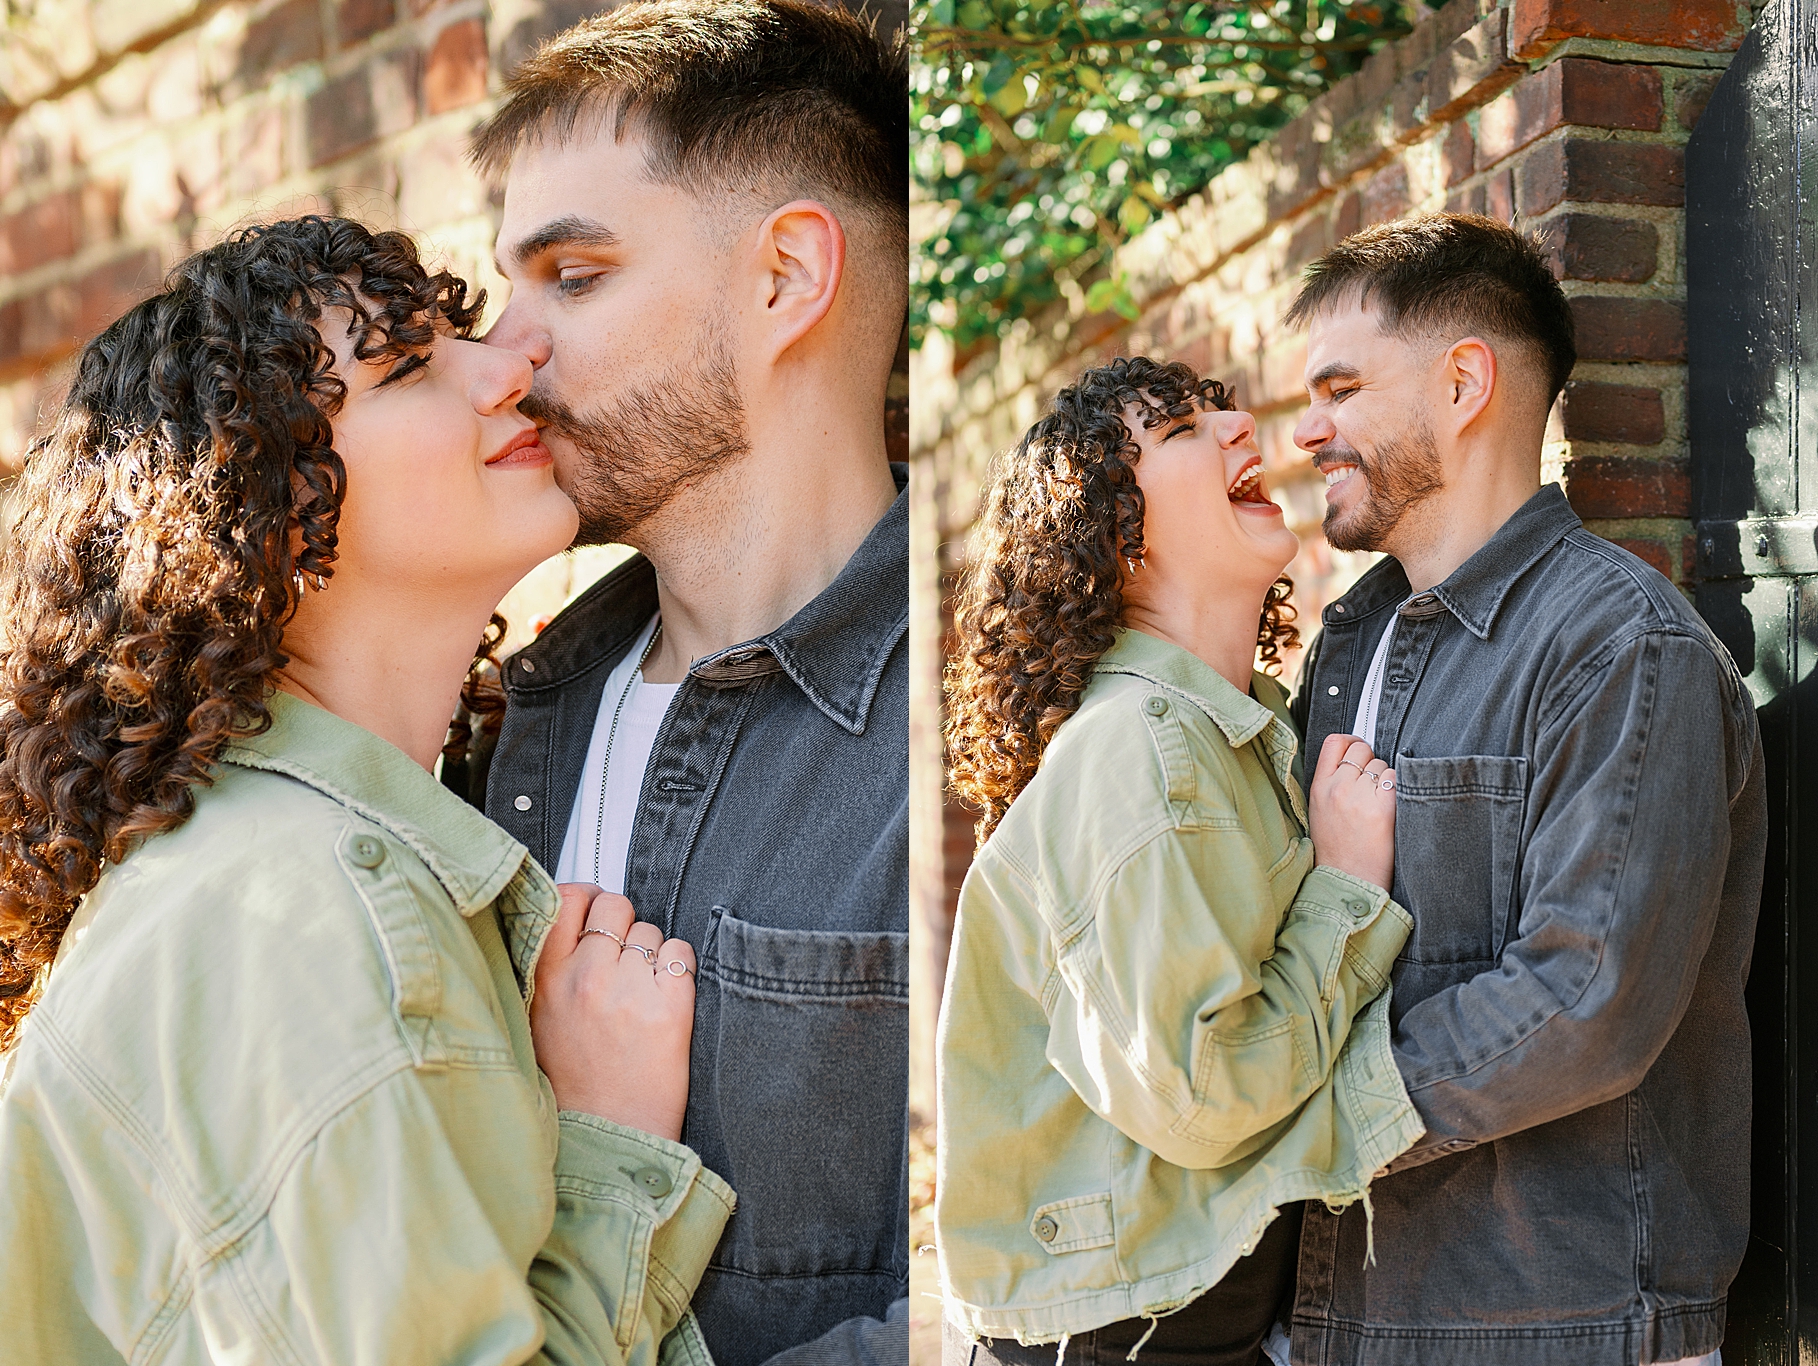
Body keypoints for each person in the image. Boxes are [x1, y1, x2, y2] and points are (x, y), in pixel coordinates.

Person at [0, 216, 728, 1364]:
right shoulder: (303, 921)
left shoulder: (263, 867)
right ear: (263, 512)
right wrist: (603, 1141)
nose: (511, 363)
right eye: (407, 367)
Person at [464, 4, 908, 1364]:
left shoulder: (981, 731)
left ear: (784, 277)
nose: (505, 352)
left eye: (574, 278)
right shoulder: (511, 720)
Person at [1283, 213, 1767, 1366]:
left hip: (1563, 1325)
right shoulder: (1350, 644)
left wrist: (1298, 1118)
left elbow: (1583, 999)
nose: (1306, 430)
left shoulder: (1618, 647)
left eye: (1341, 387)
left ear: (1465, 382)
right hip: (1350, 1316)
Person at [935, 356, 1424, 1366]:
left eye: (1223, 415)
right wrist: (1347, 890)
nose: (1242, 431)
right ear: (1112, 537)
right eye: (1183, 432)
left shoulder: (1230, 736)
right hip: (1123, 1334)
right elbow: (1201, 1097)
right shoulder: (1137, 748)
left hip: (1173, 1307)